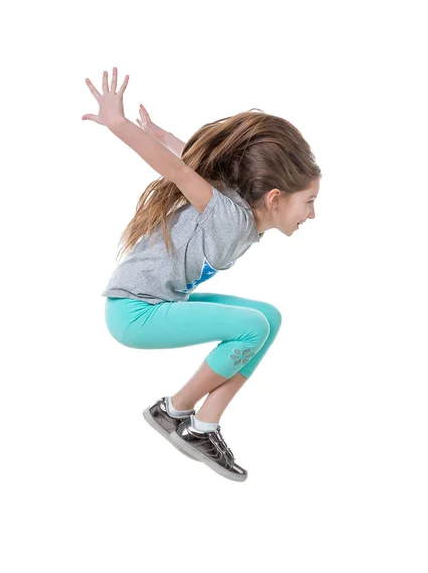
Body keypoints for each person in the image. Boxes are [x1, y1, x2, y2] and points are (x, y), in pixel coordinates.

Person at [83, 67, 321, 482]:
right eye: (309, 202)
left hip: (158, 304)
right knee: (251, 326)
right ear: (276, 198)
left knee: (269, 318)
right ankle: (173, 410)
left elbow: (189, 159)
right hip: (133, 313)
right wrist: (118, 125)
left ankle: (204, 425)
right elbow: (179, 172)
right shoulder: (229, 217)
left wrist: (161, 134)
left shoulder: (242, 213)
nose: (312, 214)